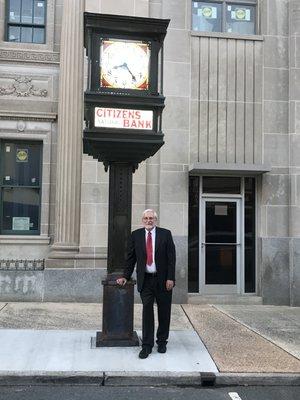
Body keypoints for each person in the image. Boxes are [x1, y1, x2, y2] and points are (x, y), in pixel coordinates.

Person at [116, 209, 176, 359]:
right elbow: (131, 258)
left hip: (163, 280)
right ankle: (147, 345)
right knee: (147, 311)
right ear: (142, 220)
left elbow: (171, 259)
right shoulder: (136, 235)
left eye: (151, 218)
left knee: (164, 311)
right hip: (146, 280)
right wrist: (125, 276)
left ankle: (162, 341)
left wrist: (170, 278)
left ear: (156, 220)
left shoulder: (165, 234)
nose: (149, 221)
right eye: (146, 218)